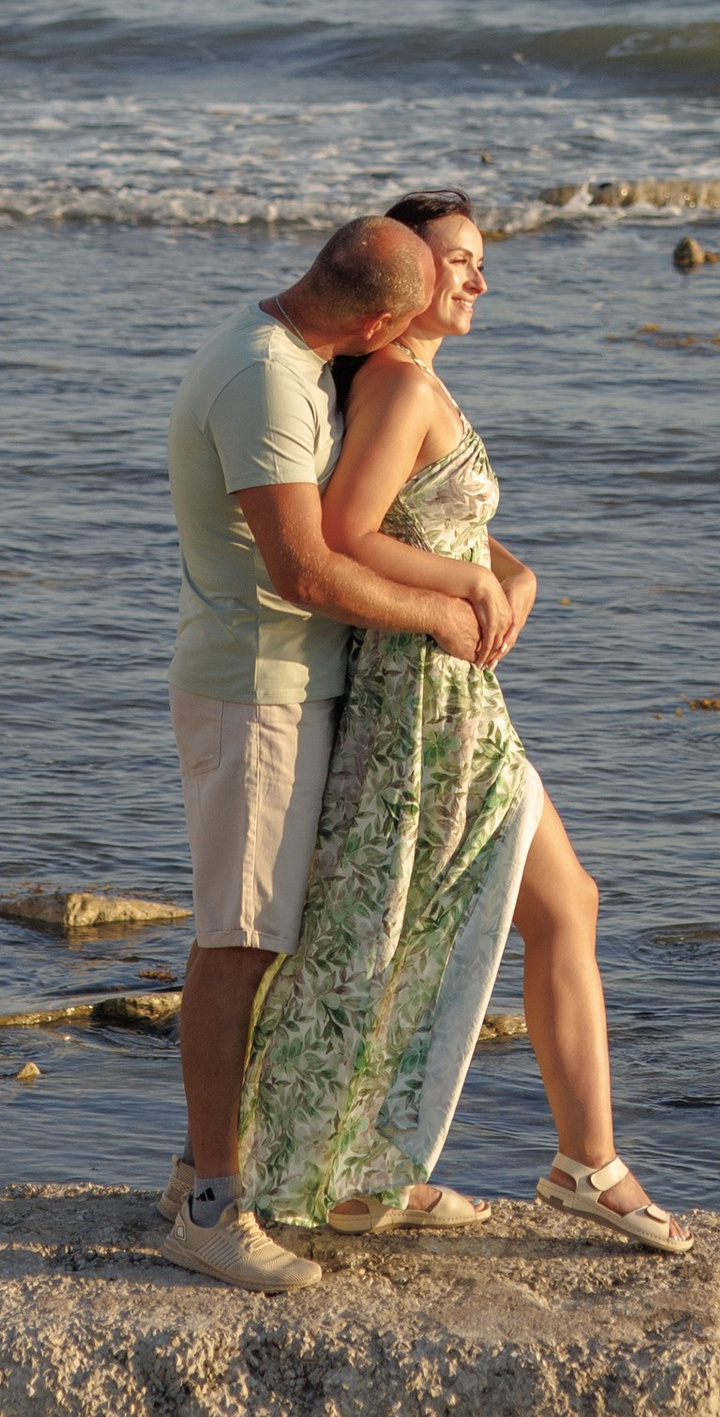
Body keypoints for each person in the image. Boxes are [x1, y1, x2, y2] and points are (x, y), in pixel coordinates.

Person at [240, 192, 693, 1254]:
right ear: (402, 279)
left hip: (448, 683)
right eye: (456, 262)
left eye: (480, 262)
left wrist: (511, 571)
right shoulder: (398, 384)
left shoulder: (415, 384)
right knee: (505, 909)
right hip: (425, 695)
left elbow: (429, 518)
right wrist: (466, 582)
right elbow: (347, 533)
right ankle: (585, 1165)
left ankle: (382, 1167)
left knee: (451, 914)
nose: (478, 280)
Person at [160, 213, 488, 1293]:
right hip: (252, 689)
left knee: (272, 939)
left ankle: (218, 1167)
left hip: (291, 686)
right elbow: (303, 569)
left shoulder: (290, 358)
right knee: (239, 942)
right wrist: (435, 616)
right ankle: (211, 1202)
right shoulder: (261, 379)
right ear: (382, 316)